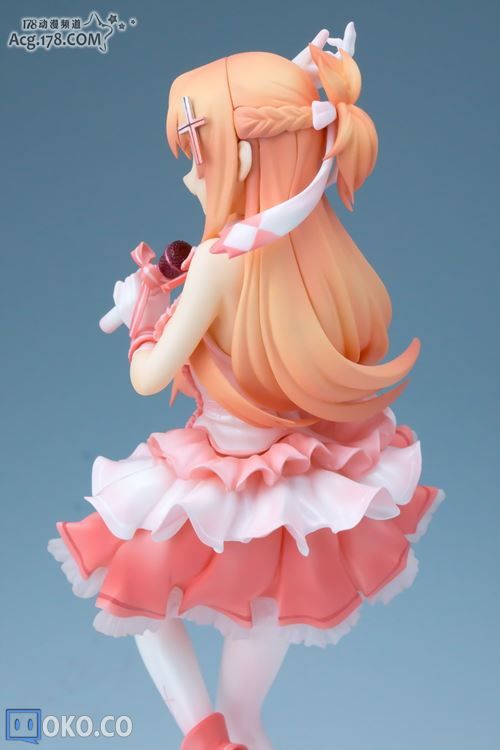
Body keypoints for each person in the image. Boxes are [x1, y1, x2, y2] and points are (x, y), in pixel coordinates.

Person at [48, 23, 444, 750]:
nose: (188, 177)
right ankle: (219, 734)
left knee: (139, 590)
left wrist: (141, 318)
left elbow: (148, 378)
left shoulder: (219, 264)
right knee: (246, 710)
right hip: (291, 493)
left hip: (224, 480)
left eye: (197, 155)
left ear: (243, 158)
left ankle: (202, 735)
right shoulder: (308, 256)